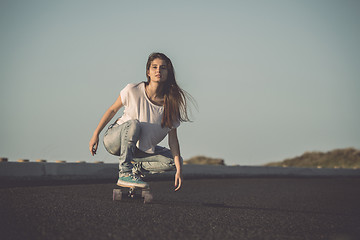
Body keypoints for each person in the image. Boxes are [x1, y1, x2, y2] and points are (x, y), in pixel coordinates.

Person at [89, 52, 192, 191]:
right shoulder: (133, 90)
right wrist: (96, 134)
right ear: (148, 72)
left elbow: (173, 139)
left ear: (168, 72)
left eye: (163, 68)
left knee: (175, 161)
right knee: (133, 124)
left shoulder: (171, 104)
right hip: (115, 140)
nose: (158, 71)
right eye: (154, 67)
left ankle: (135, 168)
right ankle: (124, 172)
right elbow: (112, 110)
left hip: (139, 151)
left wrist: (179, 170)